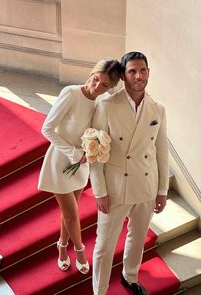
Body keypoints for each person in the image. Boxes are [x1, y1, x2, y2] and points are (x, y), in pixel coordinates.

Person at [90, 51, 169, 294]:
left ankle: (130, 277)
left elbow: (161, 151)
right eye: (132, 71)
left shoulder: (158, 109)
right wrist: (100, 191)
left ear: (148, 72)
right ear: (123, 76)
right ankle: (100, 290)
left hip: (146, 184)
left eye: (143, 70)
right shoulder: (106, 106)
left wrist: (162, 190)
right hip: (114, 187)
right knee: (104, 246)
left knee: (137, 238)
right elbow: (95, 152)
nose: (139, 76)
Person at [38, 58, 121, 275]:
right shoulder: (71, 93)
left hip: (82, 163)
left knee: (69, 213)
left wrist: (91, 151)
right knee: (73, 214)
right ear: (91, 74)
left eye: (104, 85)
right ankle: (81, 251)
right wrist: (73, 153)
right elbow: (47, 129)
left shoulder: (101, 102)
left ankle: (62, 247)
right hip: (61, 161)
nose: (97, 87)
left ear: (110, 87)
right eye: (95, 80)